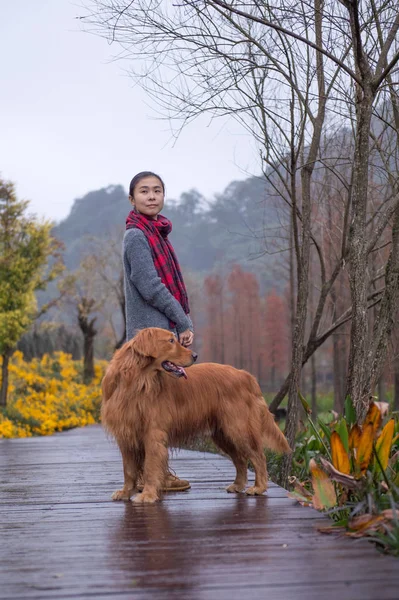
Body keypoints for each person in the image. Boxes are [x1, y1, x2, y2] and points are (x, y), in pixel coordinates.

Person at [123, 171, 194, 491]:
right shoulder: (137, 235)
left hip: (158, 332)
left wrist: (177, 324)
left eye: (157, 191)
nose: (151, 196)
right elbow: (151, 286)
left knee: (155, 411)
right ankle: (149, 477)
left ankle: (154, 474)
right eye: (144, 191)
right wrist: (182, 320)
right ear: (132, 199)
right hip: (146, 339)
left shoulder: (156, 233)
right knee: (145, 413)